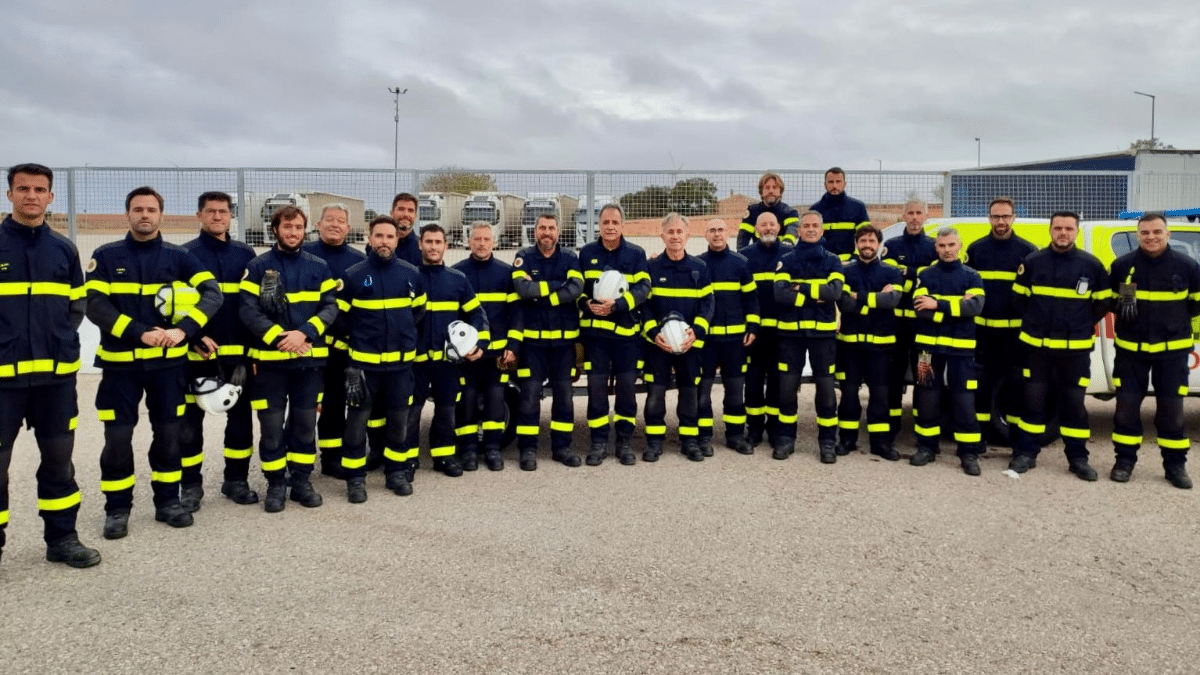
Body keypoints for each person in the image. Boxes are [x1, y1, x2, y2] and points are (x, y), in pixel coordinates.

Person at [87, 186, 223, 537]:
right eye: (138, 209)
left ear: (160, 215)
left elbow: (213, 293)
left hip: (168, 367)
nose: (144, 215)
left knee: (168, 436)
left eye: (151, 209)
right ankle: (117, 510)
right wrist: (138, 332)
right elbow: (95, 305)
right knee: (117, 439)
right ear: (127, 214)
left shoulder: (179, 257)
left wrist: (185, 331)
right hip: (120, 366)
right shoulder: (105, 255)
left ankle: (167, 502)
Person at [0, 163, 99, 567]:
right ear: (9, 194)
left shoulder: (63, 249)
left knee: (59, 463)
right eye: (22, 188)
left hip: (55, 380)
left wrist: (59, 343)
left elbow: (77, 305)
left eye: (40, 189)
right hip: (2, 381)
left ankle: (62, 540)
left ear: (50, 197)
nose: (31, 195)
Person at [240, 205, 338, 512]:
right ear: (275, 230)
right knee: (270, 426)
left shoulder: (319, 266)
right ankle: (275, 484)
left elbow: (330, 307)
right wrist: (279, 337)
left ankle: (301, 482)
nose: (293, 232)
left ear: (304, 229)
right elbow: (247, 309)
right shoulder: (257, 267)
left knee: (305, 425)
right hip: (270, 362)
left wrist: (305, 333)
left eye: (297, 227)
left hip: (308, 362)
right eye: (287, 227)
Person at [1010, 212, 1110, 480]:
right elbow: (1019, 301)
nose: (1062, 233)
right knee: (1032, 402)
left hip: (1074, 350)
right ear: (1050, 230)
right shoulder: (1032, 262)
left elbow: (1102, 303)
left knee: (1074, 404)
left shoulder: (1092, 265)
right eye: (1058, 228)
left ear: (1076, 231)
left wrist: (1080, 323)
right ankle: (1026, 454)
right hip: (1037, 348)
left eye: (1068, 228)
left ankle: (1078, 459)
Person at [178, 191, 259, 510]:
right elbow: (173, 305)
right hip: (198, 355)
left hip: (238, 353)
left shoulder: (245, 253)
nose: (217, 217)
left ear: (230, 216)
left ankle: (236, 481)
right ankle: (190, 486)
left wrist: (253, 352)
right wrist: (191, 337)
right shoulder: (184, 254)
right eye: (210, 212)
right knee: (190, 424)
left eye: (223, 212)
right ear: (200, 215)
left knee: (240, 422)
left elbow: (252, 305)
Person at [1108, 213, 1200, 488]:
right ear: (1138, 235)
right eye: (1145, 232)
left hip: (1171, 354)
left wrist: (1174, 323)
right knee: (1126, 410)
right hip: (1130, 352)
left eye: (1157, 232)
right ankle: (1124, 462)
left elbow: (1196, 305)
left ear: (1167, 234)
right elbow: (1113, 301)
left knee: (1171, 412)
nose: (1151, 237)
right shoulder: (1123, 266)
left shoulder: (1188, 266)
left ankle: (1175, 466)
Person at [338, 216, 426, 501]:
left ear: (397, 239)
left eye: (390, 237)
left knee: (399, 421)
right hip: (364, 365)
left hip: (400, 367)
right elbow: (340, 319)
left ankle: (395, 472)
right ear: (369, 238)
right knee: (357, 423)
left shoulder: (411, 274)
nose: (384, 242)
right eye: (379, 236)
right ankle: (354, 479)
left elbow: (418, 313)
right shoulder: (352, 275)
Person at [403, 224, 487, 478]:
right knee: (411, 412)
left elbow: (476, 314)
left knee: (446, 412)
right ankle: (408, 459)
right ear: (420, 244)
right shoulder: (408, 277)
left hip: (448, 363)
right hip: (414, 363)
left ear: (445, 246)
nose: (433, 247)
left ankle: (444, 456)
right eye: (428, 242)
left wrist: (478, 344)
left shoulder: (458, 280)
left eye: (438, 242)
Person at [577, 204, 651, 465]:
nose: (610, 226)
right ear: (599, 224)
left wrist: (618, 305)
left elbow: (644, 289)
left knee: (627, 390)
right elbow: (578, 289)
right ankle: (598, 443)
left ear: (622, 225)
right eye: (605, 222)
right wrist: (586, 304)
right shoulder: (586, 253)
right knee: (596, 390)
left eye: (615, 222)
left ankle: (625, 442)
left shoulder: (636, 253)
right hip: (595, 337)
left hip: (626, 338)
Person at [909, 227, 986, 475]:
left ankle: (968, 452)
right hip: (926, 349)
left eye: (951, 245)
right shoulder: (926, 275)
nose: (947, 250)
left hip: (962, 351)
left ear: (960, 245)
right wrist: (955, 307)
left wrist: (938, 304)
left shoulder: (972, 276)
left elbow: (975, 307)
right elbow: (921, 308)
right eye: (942, 246)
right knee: (926, 396)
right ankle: (926, 447)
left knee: (963, 399)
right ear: (936, 248)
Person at [511, 214, 584, 470]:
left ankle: (562, 447)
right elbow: (523, 289)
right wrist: (557, 288)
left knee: (564, 398)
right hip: (532, 346)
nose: (547, 232)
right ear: (535, 231)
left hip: (564, 346)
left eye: (551, 228)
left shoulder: (570, 258)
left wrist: (544, 294)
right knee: (529, 397)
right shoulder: (523, 256)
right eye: (542, 227)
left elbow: (576, 288)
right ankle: (528, 449)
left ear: (558, 231)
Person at [772, 211, 844, 462]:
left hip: (822, 335)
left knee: (825, 389)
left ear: (822, 230)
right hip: (790, 334)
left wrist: (800, 287)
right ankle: (785, 439)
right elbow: (780, 293)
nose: (811, 229)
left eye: (815, 225)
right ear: (798, 230)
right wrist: (815, 294)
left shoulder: (833, 260)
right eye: (806, 226)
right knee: (787, 389)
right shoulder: (787, 259)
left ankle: (827, 442)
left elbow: (834, 292)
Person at [302, 203, 365, 479]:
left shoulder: (357, 259)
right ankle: (298, 462)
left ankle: (331, 458)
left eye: (340, 221)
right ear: (318, 225)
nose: (334, 224)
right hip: (308, 343)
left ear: (348, 228)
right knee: (303, 404)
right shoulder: (303, 255)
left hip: (341, 347)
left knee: (335, 403)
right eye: (329, 220)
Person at [965, 197, 1036, 442]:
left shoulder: (1028, 252)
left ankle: (1015, 440)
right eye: (996, 216)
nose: (1001, 221)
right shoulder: (975, 250)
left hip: (1015, 336)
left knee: (1016, 387)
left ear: (1014, 218)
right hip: (983, 334)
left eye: (1006, 216)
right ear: (989, 218)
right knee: (982, 387)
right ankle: (981, 438)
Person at [642, 213, 713, 461]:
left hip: (688, 344)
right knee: (656, 393)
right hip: (658, 345)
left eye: (679, 232)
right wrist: (653, 332)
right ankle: (654, 441)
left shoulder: (699, 268)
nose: (675, 236)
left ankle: (690, 441)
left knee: (688, 391)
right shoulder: (651, 267)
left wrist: (697, 331)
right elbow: (645, 306)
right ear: (662, 236)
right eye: (670, 232)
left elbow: (707, 302)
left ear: (687, 235)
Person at [453, 221, 521, 471]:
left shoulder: (506, 273)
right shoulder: (458, 273)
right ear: (469, 242)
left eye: (486, 239)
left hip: (497, 355)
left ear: (494, 242)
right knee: (467, 400)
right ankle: (469, 450)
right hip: (467, 355)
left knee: (495, 399)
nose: (481, 244)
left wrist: (512, 346)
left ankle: (492, 449)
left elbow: (516, 314)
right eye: (477, 239)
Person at [835, 225, 903, 461]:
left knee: (880, 396)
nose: (867, 245)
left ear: (879, 244)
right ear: (856, 243)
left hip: (881, 347)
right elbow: (843, 304)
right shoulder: (846, 272)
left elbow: (892, 301)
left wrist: (859, 298)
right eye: (862, 240)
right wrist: (875, 299)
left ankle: (880, 443)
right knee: (849, 394)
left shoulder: (892, 272)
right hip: (850, 346)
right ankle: (847, 439)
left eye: (871, 241)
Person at [698, 218, 758, 456]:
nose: (716, 234)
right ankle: (703, 437)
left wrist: (752, 327)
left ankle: (735, 435)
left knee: (735, 390)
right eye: (711, 230)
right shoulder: (698, 264)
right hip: (707, 341)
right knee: (702, 391)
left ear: (729, 233)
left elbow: (752, 299)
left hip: (735, 341)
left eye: (720, 230)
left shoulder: (741, 263)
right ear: (705, 235)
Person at [881, 200, 937, 441]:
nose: (914, 218)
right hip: (896, 327)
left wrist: (908, 273)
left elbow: (933, 282)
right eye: (910, 213)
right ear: (902, 215)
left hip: (923, 328)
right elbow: (891, 278)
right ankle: (892, 426)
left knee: (924, 377)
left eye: (918, 213)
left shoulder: (935, 246)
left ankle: (921, 425)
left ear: (926, 216)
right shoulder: (891, 246)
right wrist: (918, 274)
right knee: (894, 375)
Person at [738, 211, 792, 451]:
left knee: (779, 383)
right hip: (755, 332)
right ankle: (755, 430)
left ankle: (777, 431)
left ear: (778, 227)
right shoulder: (744, 256)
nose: (768, 228)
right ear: (756, 229)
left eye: (772, 224)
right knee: (753, 382)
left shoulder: (790, 255)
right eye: (763, 224)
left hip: (782, 332)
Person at [809, 167, 870, 262]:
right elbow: (811, 239)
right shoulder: (815, 210)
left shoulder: (858, 207)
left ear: (844, 184)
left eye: (838, 182)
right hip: (823, 263)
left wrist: (855, 258)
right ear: (825, 185)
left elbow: (865, 237)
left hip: (851, 263)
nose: (834, 185)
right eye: (830, 182)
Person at [737, 172, 801, 248]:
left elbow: (792, 231)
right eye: (767, 187)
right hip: (758, 253)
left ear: (780, 192)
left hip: (780, 253)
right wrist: (741, 255)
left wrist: (786, 245)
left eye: (775, 187)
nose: (771, 191)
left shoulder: (790, 212)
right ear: (761, 192)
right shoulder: (752, 211)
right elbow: (743, 237)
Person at [390, 192, 422, 267]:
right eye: (401, 209)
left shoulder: (422, 249)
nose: (406, 215)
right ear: (391, 213)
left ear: (416, 216)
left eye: (410, 210)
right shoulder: (380, 245)